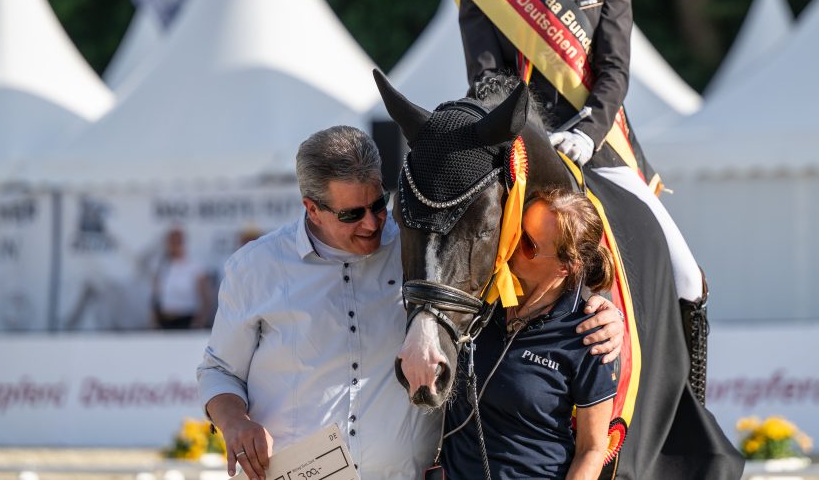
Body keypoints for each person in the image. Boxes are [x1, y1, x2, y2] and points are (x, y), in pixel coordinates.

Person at [197, 125, 625, 480]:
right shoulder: (255, 268)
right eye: (351, 214)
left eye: (378, 205)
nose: (372, 223)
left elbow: (531, 273)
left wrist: (603, 309)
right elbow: (219, 371)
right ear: (312, 209)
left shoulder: (420, 251)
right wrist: (235, 422)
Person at [450, 0, 709, 398]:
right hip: (523, 148)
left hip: (601, 143)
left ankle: (687, 406)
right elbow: (488, 83)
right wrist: (537, 141)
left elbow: (614, 71)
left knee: (686, 274)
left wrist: (587, 134)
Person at [442, 189, 618, 480]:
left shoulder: (590, 335)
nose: (512, 244)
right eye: (515, 229)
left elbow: (592, 449)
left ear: (566, 266)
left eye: (527, 244)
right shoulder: (481, 294)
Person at [152, 227, 212, 329]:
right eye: (171, 242)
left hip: (187, 319)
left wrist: (201, 319)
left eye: (177, 242)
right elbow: (156, 294)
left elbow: (205, 295)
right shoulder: (161, 265)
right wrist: (154, 319)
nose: (174, 246)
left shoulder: (195, 265)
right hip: (165, 319)